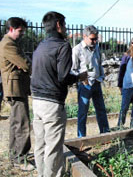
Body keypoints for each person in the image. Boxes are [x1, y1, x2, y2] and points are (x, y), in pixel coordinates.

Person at [31, 11, 85, 177]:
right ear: (59, 25)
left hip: (36, 101)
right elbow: (63, 77)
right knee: (53, 148)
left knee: (40, 145)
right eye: (65, 24)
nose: (67, 28)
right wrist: (78, 77)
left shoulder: (41, 46)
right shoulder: (62, 46)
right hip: (52, 103)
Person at [0, 17, 34, 171]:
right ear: (12, 28)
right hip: (15, 88)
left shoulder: (11, 43)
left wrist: (23, 65)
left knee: (16, 123)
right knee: (22, 123)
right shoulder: (8, 44)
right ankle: (20, 160)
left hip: (17, 87)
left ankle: (15, 155)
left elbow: (23, 63)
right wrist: (25, 65)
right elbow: (25, 63)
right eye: (20, 31)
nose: (22, 34)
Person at [71, 25, 110, 137]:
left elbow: (99, 63)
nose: (94, 41)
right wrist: (82, 80)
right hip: (85, 85)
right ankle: (81, 137)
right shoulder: (77, 50)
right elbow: (73, 69)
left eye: (96, 39)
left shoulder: (97, 47)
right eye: (92, 39)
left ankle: (105, 133)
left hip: (97, 83)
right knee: (83, 113)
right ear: (84, 36)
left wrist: (102, 77)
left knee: (101, 110)